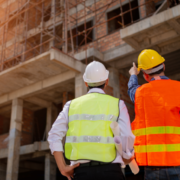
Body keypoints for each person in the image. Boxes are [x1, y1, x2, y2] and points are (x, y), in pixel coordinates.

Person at [48, 61, 135, 180]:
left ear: (86, 83)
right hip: (111, 172)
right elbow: (127, 135)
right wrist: (127, 155)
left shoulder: (71, 105)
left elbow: (54, 135)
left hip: (82, 173)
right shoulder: (118, 104)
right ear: (107, 81)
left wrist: (63, 167)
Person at [128, 49, 180, 180]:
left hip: (153, 165)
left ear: (145, 76)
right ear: (163, 66)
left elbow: (131, 89)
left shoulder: (139, 94)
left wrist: (133, 74)